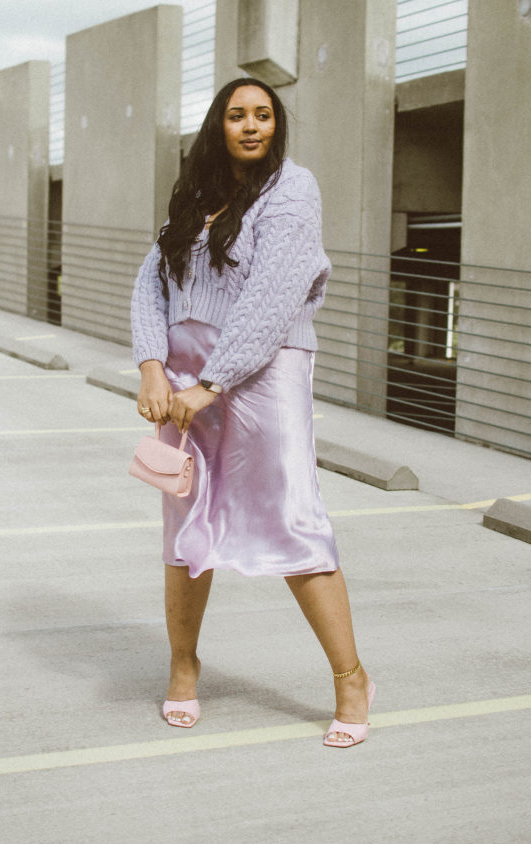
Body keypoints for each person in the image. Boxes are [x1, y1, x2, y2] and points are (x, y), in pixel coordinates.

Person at [131, 77, 375, 747]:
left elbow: (273, 297)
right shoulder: (195, 196)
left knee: (293, 519)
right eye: (237, 114)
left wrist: (209, 384)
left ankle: (351, 678)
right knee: (185, 530)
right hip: (182, 380)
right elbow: (149, 284)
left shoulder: (292, 189)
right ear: (218, 124)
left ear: (275, 125)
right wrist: (153, 365)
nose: (250, 125)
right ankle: (183, 667)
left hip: (263, 375)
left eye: (262, 115)